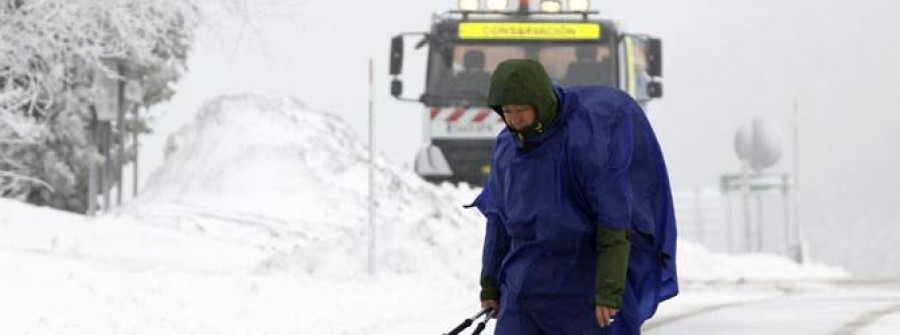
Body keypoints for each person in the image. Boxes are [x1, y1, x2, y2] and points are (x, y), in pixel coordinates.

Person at [471, 59, 678, 334]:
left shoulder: (583, 141)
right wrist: (490, 283)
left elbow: (613, 223)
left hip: (581, 286)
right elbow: (497, 221)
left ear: (540, 102)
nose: (514, 119)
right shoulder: (506, 149)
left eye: (521, 110)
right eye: (506, 111)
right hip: (523, 290)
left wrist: (608, 293)